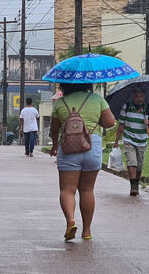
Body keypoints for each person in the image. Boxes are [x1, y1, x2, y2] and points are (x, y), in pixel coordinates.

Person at [50, 83, 115, 241]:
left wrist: (54, 146)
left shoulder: (60, 103)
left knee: (67, 190)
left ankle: (70, 220)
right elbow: (110, 122)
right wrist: (94, 120)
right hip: (92, 147)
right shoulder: (97, 100)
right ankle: (87, 231)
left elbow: (54, 129)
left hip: (68, 148)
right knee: (87, 190)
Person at [113, 87, 149, 196]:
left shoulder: (148, 108)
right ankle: (133, 186)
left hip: (142, 141)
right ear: (133, 96)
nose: (139, 99)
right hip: (129, 139)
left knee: (139, 165)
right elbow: (121, 124)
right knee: (132, 162)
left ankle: (136, 182)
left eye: (141, 96)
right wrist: (116, 141)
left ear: (144, 96)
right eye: (137, 96)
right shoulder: (126, 107)